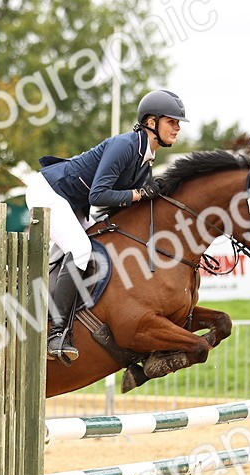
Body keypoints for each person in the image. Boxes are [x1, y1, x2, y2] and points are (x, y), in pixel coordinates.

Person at [25, 88, 186, 364]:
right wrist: (137, 194)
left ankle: (45, 300)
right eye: (172, 121)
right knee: (80, 250)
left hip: (72, 203)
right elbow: (98, 195)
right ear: (151, 122)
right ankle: (56, 333)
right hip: (49, 191)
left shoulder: (146, 158)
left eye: (178, 123)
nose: (178, 127)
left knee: (95, 246)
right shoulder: (125, 146)